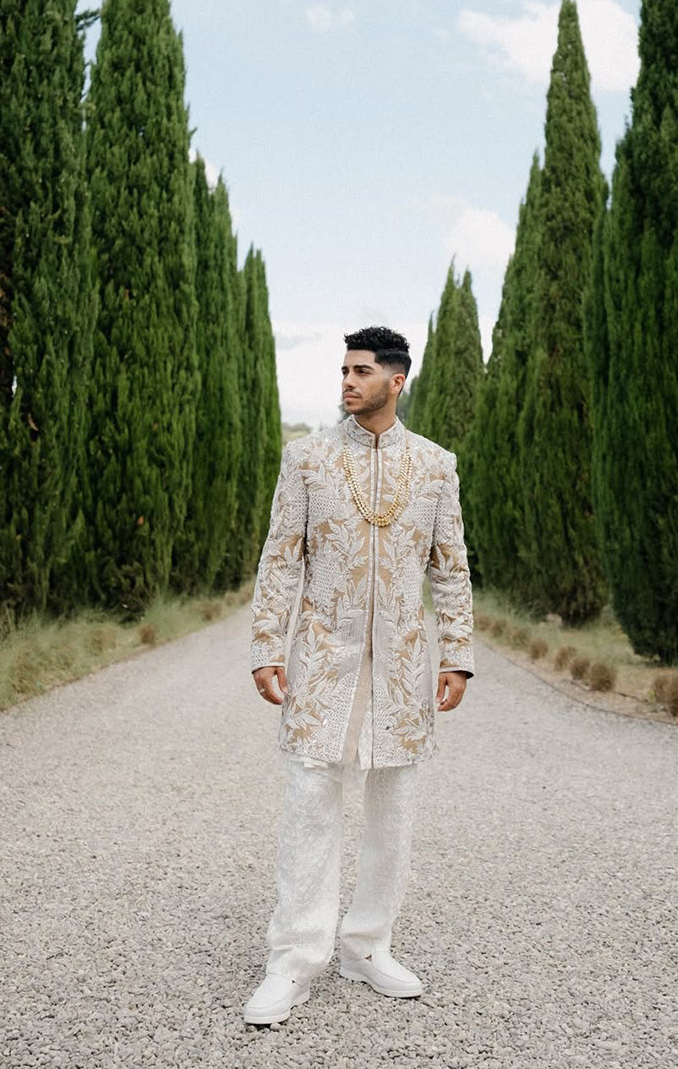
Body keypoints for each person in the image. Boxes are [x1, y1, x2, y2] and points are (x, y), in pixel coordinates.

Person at [244, 325, 474, 1026]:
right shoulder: (308, 459)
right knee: (310, 805)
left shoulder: (435, 465)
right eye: (343, 369)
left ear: (396, 381)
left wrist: (457, 652)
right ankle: (293, 961)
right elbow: (281, 556)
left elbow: (452, 564)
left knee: (392, 811)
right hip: (323, 661)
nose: (347, 380)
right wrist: (266, 645)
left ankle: (368, 947)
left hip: (402, 668)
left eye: (361, 370)